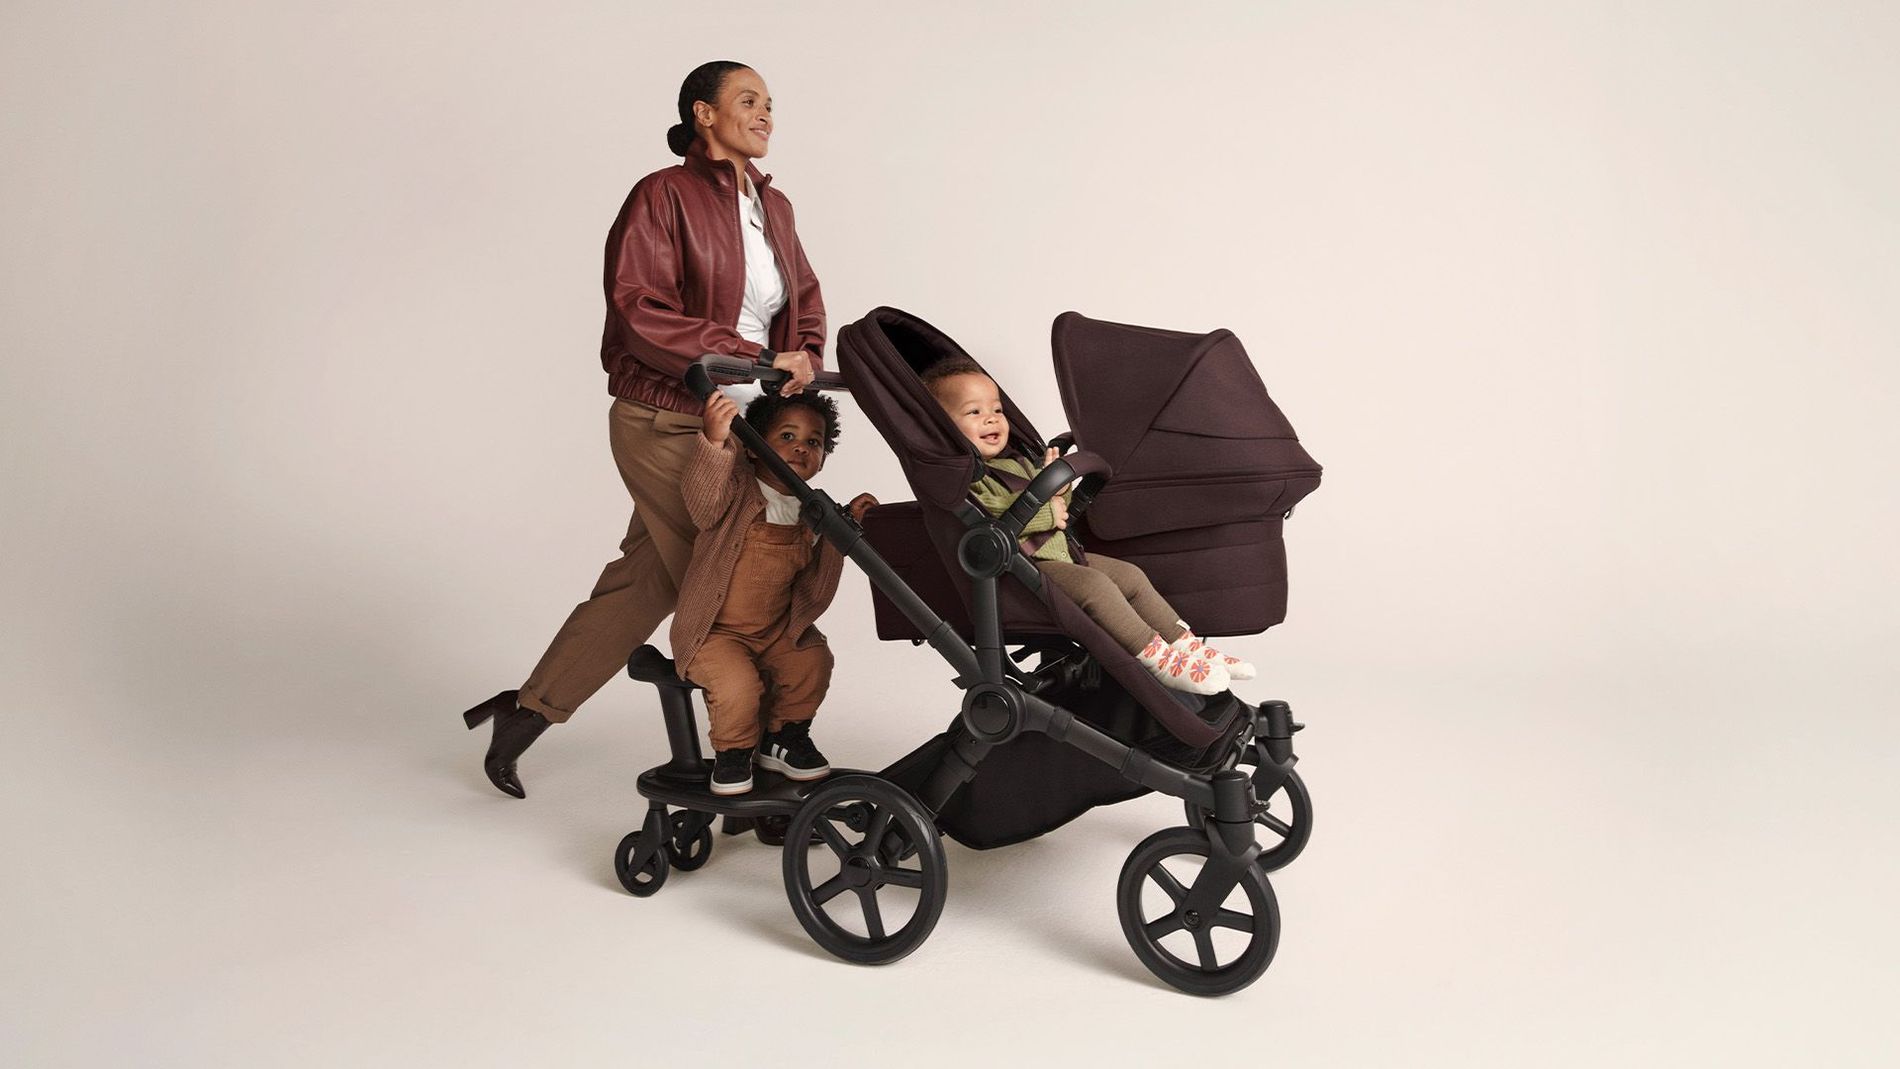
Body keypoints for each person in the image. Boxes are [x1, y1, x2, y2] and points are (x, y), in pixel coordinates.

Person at [463, 61, 826, 798]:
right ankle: (756, 749)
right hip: (668, 417)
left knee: (649, 578)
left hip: (741, 421)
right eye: (748, 100)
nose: (766, 114)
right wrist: (754, 356)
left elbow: (805, 299)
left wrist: (805, 356)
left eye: (770, 104)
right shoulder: (662, 194)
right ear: (703, 113)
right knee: (731, 577)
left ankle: (526, 711)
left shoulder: (775, 206)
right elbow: (639, 308)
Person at [922, 358, 1257, 695]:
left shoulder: (1017, 461)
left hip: (1061, 554)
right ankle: (1160, 660)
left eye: (997, 409)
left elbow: (1056, 508)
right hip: (1023, 569)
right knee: (1096, 586)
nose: (992, 418)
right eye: (974, 412)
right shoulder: (965, 480)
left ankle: (1187, 647)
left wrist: (1057, 488)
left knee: (1130, 576)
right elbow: (991, 515)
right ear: (942, 426)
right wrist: (1048, 511)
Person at [671, 388, 876, 795]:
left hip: (774, 630)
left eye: (813, 442)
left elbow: (816, 580)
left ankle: (785, 737)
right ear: (752, 448)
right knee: (738, 686)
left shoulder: (813, 511)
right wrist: (714, 442)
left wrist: (846, 525)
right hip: (715, 633)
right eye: (787, 436)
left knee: (813, 661)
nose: (801, 447)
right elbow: (701, 504)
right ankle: (733, 754)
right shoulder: (736, 490)